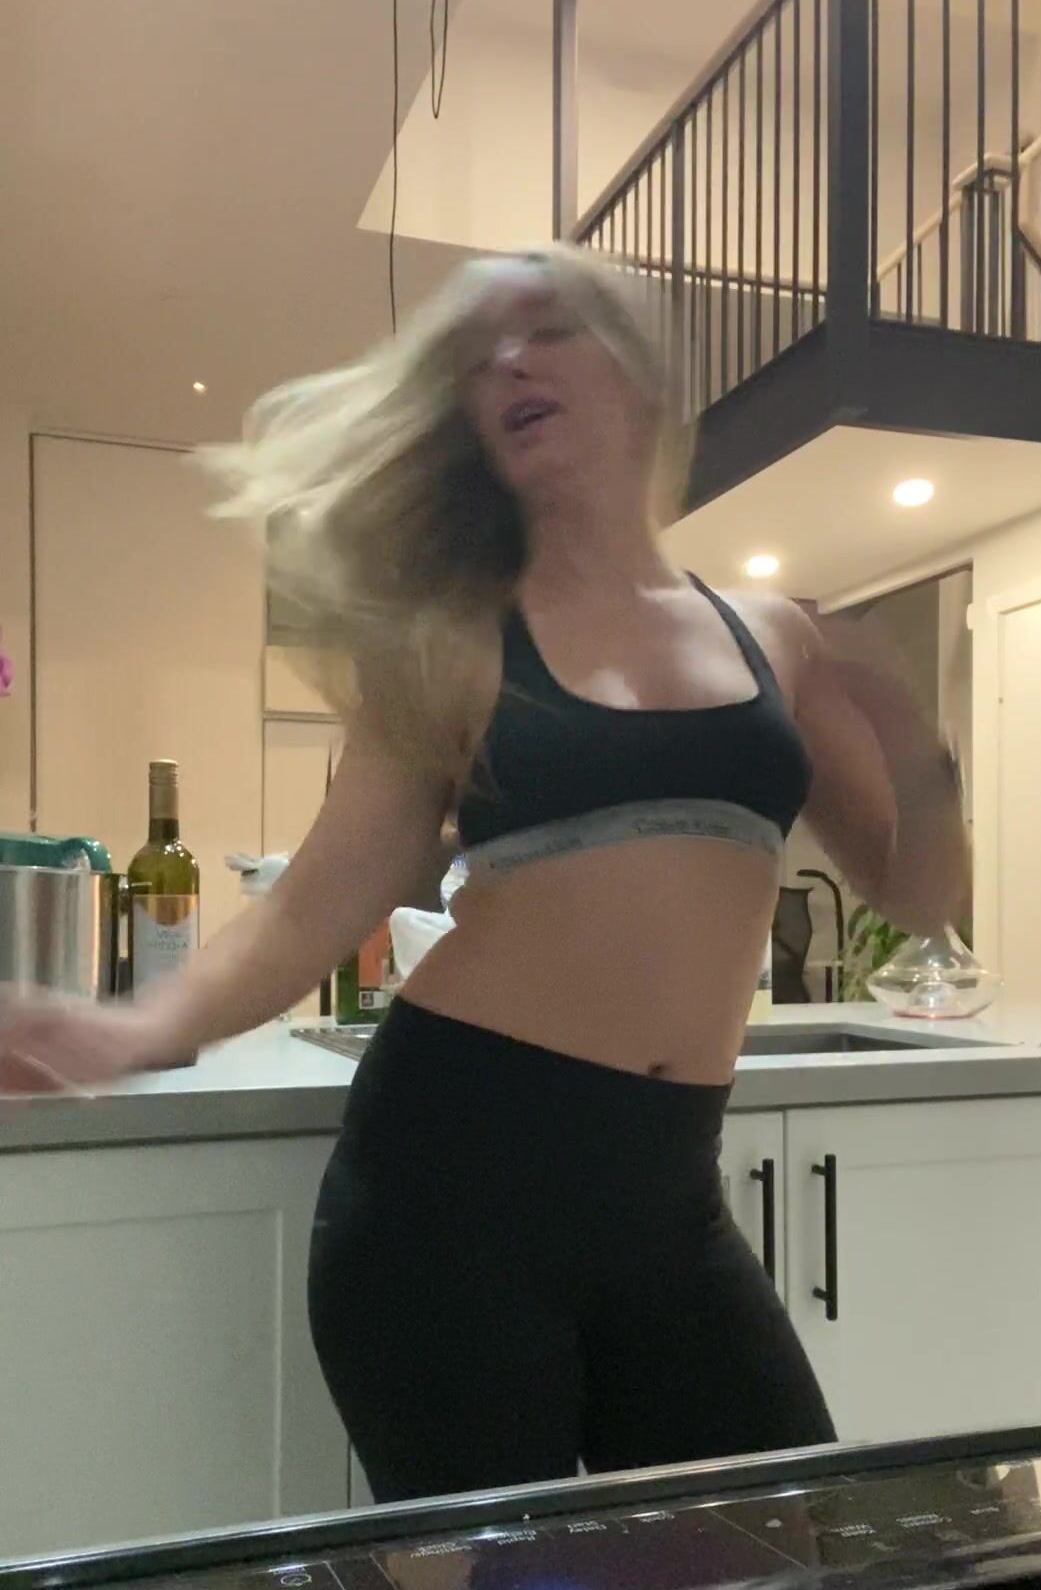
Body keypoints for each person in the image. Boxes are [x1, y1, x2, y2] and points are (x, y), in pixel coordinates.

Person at [0, 246, 968, 1503]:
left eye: (546, 328)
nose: (507, 363)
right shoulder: (454, 642)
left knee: (781, 1562)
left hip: (668, 1213)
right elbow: (315, 905)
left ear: (638, 373)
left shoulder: (772, 635)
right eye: (475, 357)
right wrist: (129, 1029)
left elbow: (917, 899)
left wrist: (918, 746)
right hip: (446, 1207)